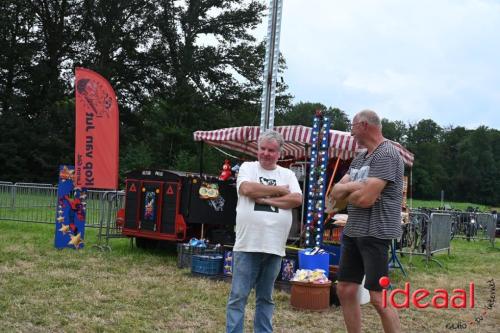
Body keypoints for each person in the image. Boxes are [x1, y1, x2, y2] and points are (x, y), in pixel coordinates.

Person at [332, 110, 403, 333]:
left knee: (378, 297)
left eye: (352, 125)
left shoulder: (387, 154)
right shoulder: (361, 157)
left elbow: (364, 200)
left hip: (376, 233)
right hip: (354, 231)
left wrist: (352, 191)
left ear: (364, 125)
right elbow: (335, 192)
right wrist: (357, 186)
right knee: (344, 288)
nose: (351, 131)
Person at [226, 130, 303, 333]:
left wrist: (267, 199)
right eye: (262, 149)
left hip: (274, 246)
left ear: (279, 153)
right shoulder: (247, 167)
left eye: (271, 150)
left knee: (266, 298)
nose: (266, 153)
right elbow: (247, 190)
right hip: (248, 244)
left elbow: (296, 199)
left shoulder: (288, 174)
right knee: (238, 297)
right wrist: (280, 190)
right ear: (258, 149)